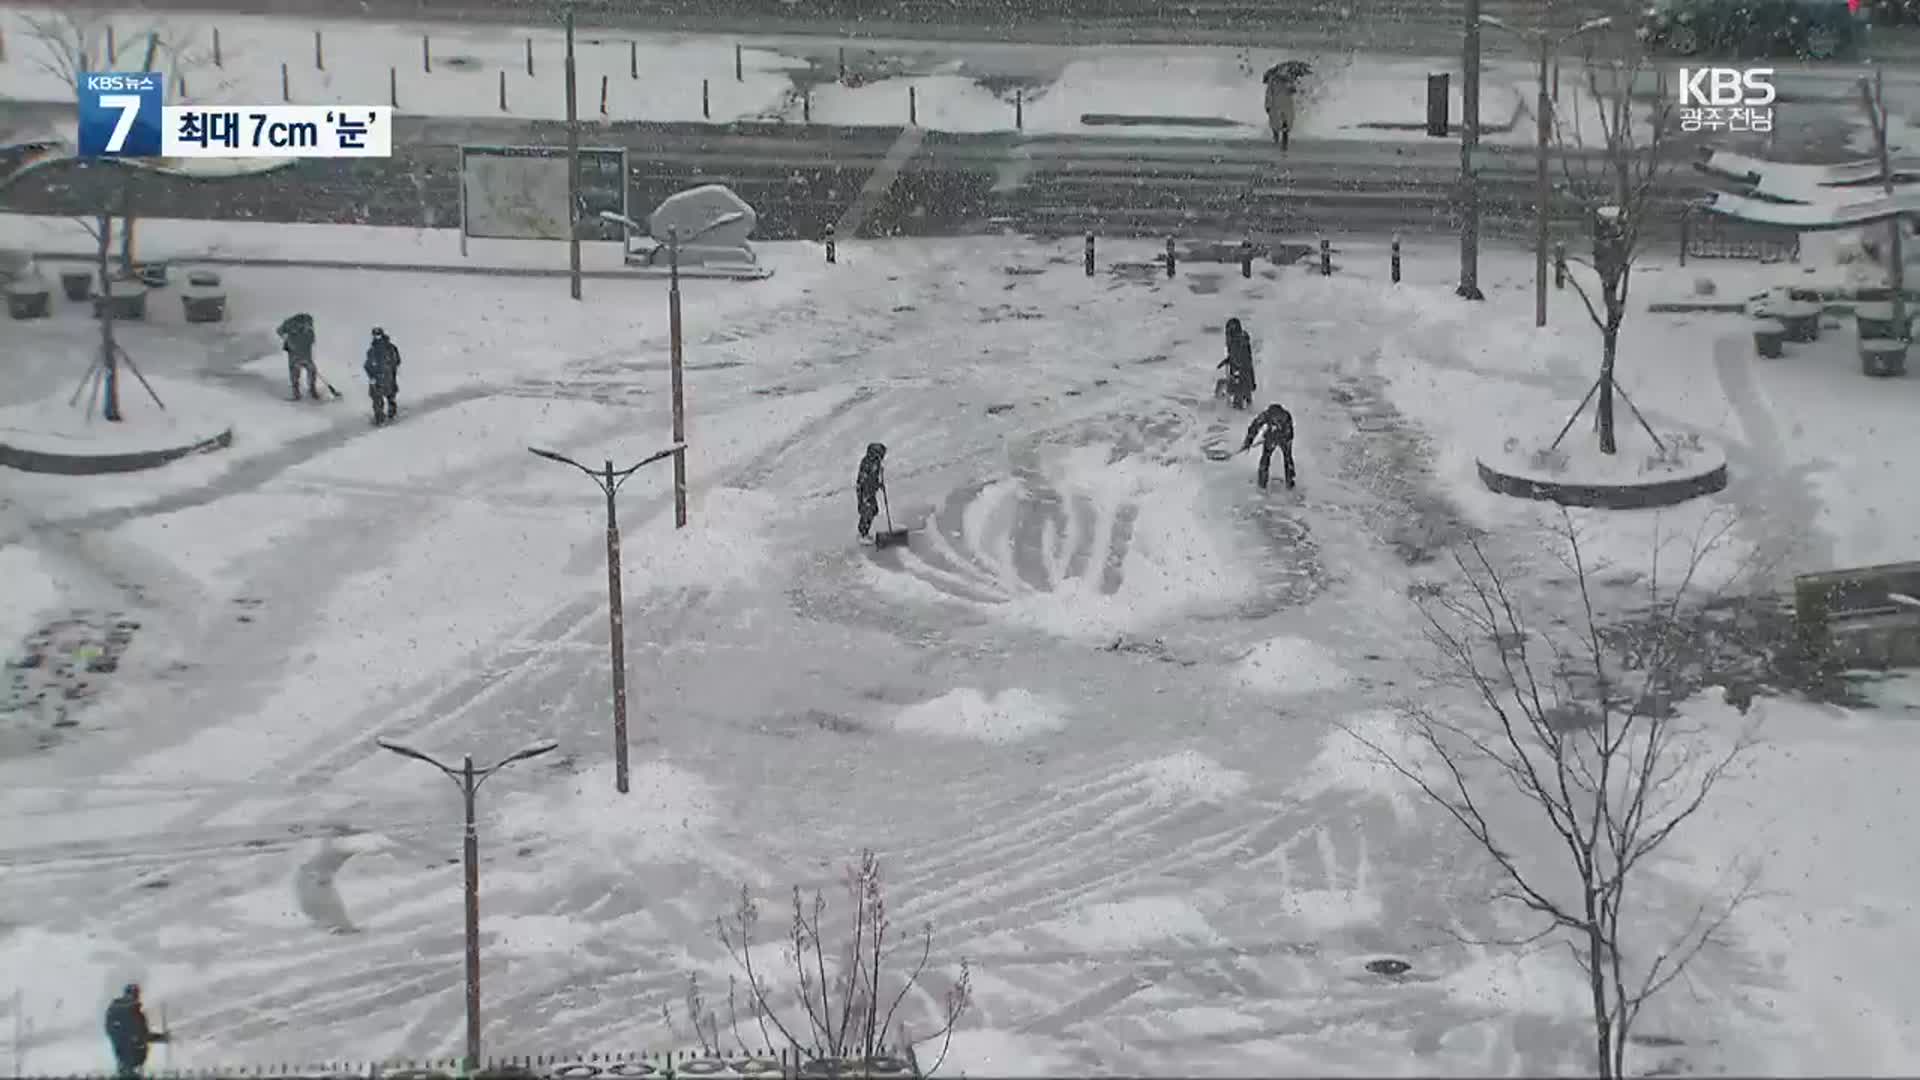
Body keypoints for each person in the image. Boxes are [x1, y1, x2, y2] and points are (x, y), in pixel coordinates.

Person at [104, 983, 168, 1077]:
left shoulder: (117, 1011)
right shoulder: (131, 1013)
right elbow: (140, 1035)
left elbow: (138, 1035)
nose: (137, 997)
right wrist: (160, 1037)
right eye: (136, 994)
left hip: (126, 1059)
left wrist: (158, 1037)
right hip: (132, 1059)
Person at [1241, 402, 1296, 490]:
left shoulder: (1284, 417)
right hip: (1276, 435)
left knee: (1285, 457)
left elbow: (1289, 432)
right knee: (1277, 457)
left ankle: (1288, 482)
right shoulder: (1267, 415)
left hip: (1285, 437)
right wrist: (1248, 441)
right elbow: (1254, 426)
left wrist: (1274, 437)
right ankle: (1263, 482)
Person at [276, 313, 319, 401]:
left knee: (312, 370)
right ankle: (296, 393)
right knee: (295, 373)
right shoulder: (289, 325)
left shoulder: (309, 331)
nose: (310, 325)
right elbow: (279, 331)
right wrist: (287, 339)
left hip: (306, 355)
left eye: (310, 324)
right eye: (308, 324)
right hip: (294, 355)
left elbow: (312, 341)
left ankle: (312, 389)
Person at [364, 327, 401, 426]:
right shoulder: (391, 347)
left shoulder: (373, 350)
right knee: (390, 394)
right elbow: (397, 360)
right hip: (388, 376)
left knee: (377, 397)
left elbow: (368, 365)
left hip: (378, 377)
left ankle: (380, 418)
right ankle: (391, 411)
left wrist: (372, 375)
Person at [1216, 318, 1256, 408]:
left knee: (1237, 406)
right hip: (1240, 378)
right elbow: (1238, 358)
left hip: (1241, 379)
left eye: (1227, 332)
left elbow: (1243, 362)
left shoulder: (1239, 343)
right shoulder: (1238, 342)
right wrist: (1228, 360)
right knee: (1221, 385)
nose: (1226, 335)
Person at [855, 442, 887, 539]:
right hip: (865, 490)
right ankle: (862, 533)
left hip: (870, 490)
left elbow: (874, 477)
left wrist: (879, 484)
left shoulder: (876, 462)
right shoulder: (867, 461)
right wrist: (874, 485)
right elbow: (865, 479)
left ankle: (865, 532)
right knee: (867, 510)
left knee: (873, 510)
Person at [1264, 71, 1298, 151]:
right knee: (1276, 126)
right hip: (1277, 105)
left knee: (1284, 127)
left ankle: (1283, 145)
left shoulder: (1288, 80)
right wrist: (1268, 105)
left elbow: (1293, 91)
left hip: (1285, 106)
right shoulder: (1272, 80)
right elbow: (1269, 93)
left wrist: (1290, 84)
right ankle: (1277, 142)